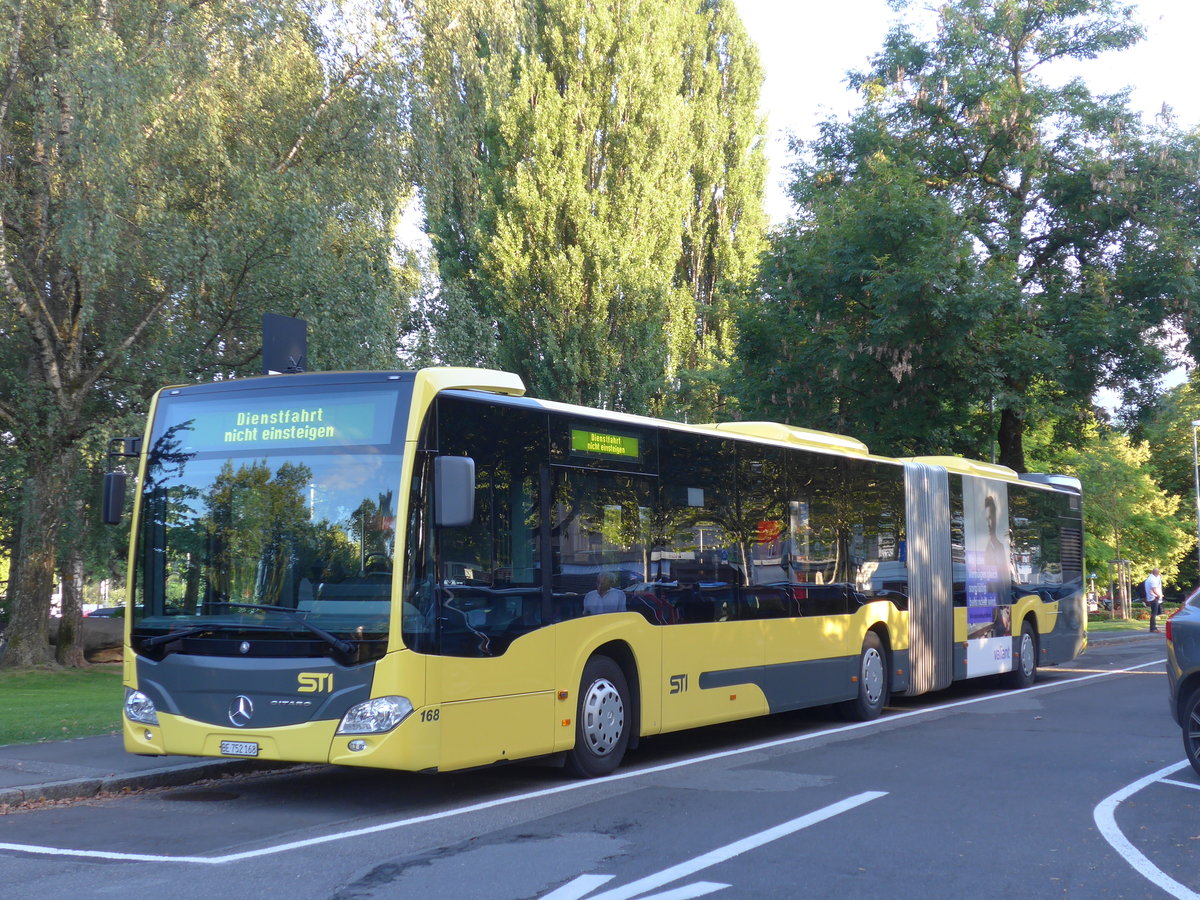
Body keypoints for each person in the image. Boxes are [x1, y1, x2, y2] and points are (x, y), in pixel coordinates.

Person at [1145, 567, 1164, 632]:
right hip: (1154, 598)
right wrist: (1159, 595)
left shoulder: (1150, 578)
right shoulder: (1152, 579)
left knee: (1156, 613)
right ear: (1156, 573)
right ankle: (1153, 628)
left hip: (1152, 597)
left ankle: (1154, 627)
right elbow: (1154, 589)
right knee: (1154, 613)